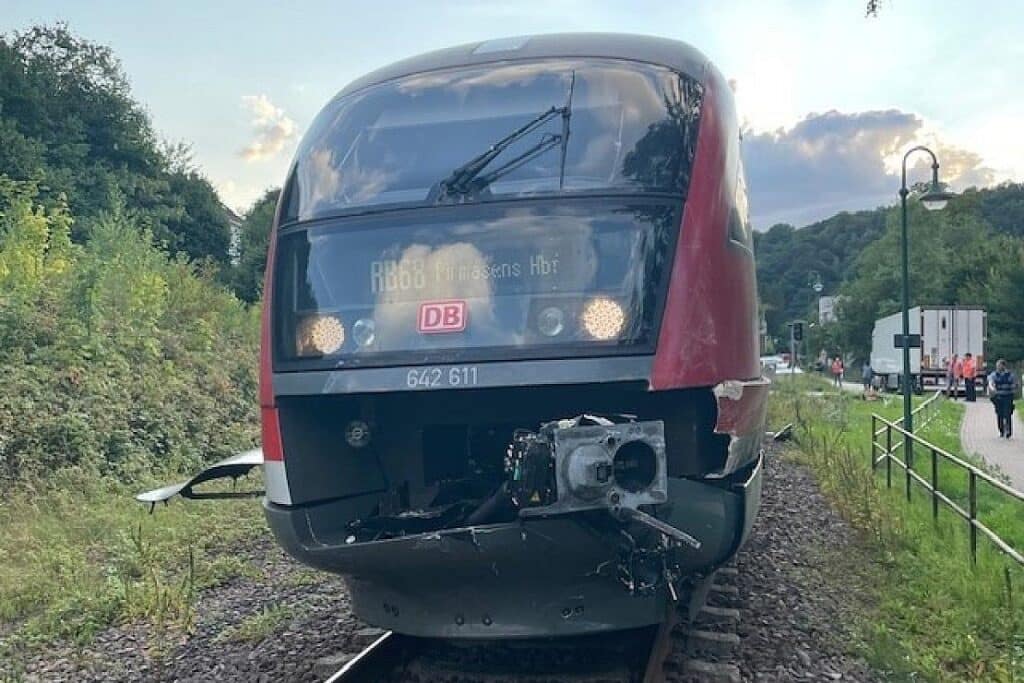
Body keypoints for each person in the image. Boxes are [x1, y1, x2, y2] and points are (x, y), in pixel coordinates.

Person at [987, 359, 1017, 439]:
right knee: (999, 414)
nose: (998, 367)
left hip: (1008, 396)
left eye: (999, 365)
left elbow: (1014, 384)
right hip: (998, 397)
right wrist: (992, 388)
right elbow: (990, 382)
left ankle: (1008, 432)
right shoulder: (994, 375)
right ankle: (1001, 431)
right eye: (997, 366)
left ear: (1003, 366)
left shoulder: (1010, 375)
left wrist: (1013, 388)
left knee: (1007, 414)